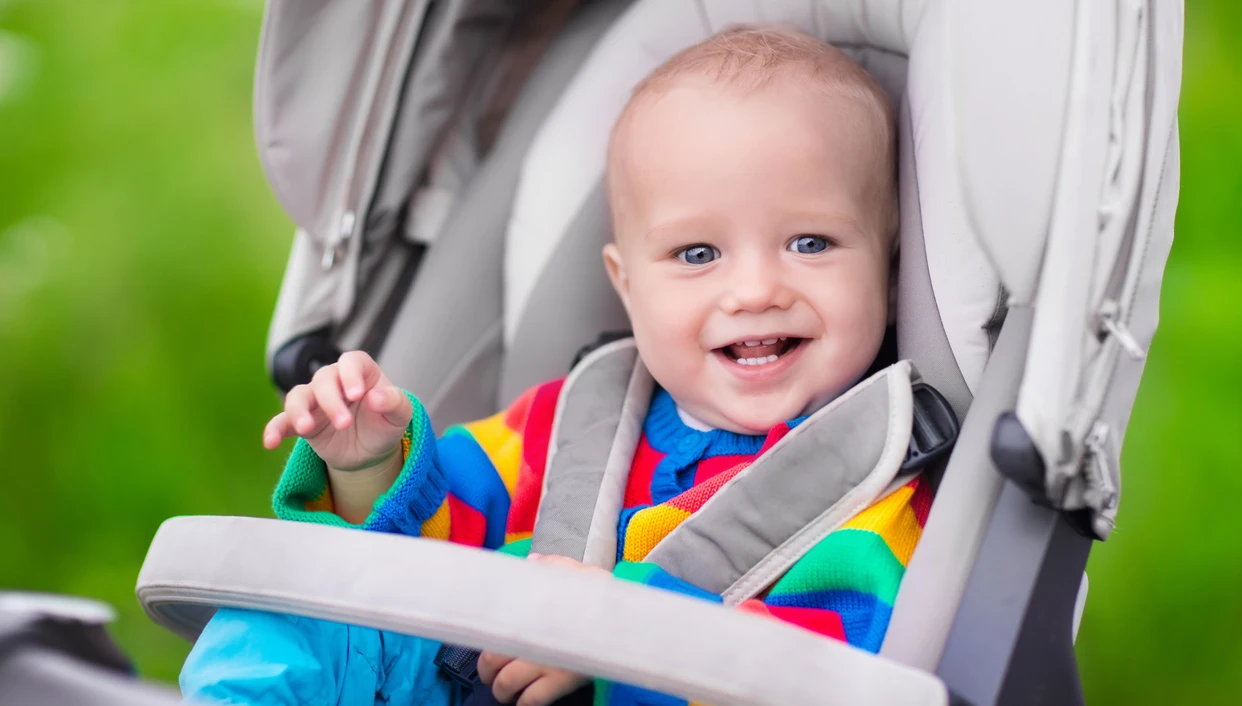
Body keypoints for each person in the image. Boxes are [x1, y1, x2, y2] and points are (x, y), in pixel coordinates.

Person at [181, 26, 928, 706]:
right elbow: (427, 550)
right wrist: (366, 465)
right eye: (697, 254)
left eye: (809, 243)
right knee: (309, 600)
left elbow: (820, 672)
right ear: (625, 285)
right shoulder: (567, 421)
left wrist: (613, 639)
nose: (756, 290)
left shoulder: (870, 495)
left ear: (889, 275)